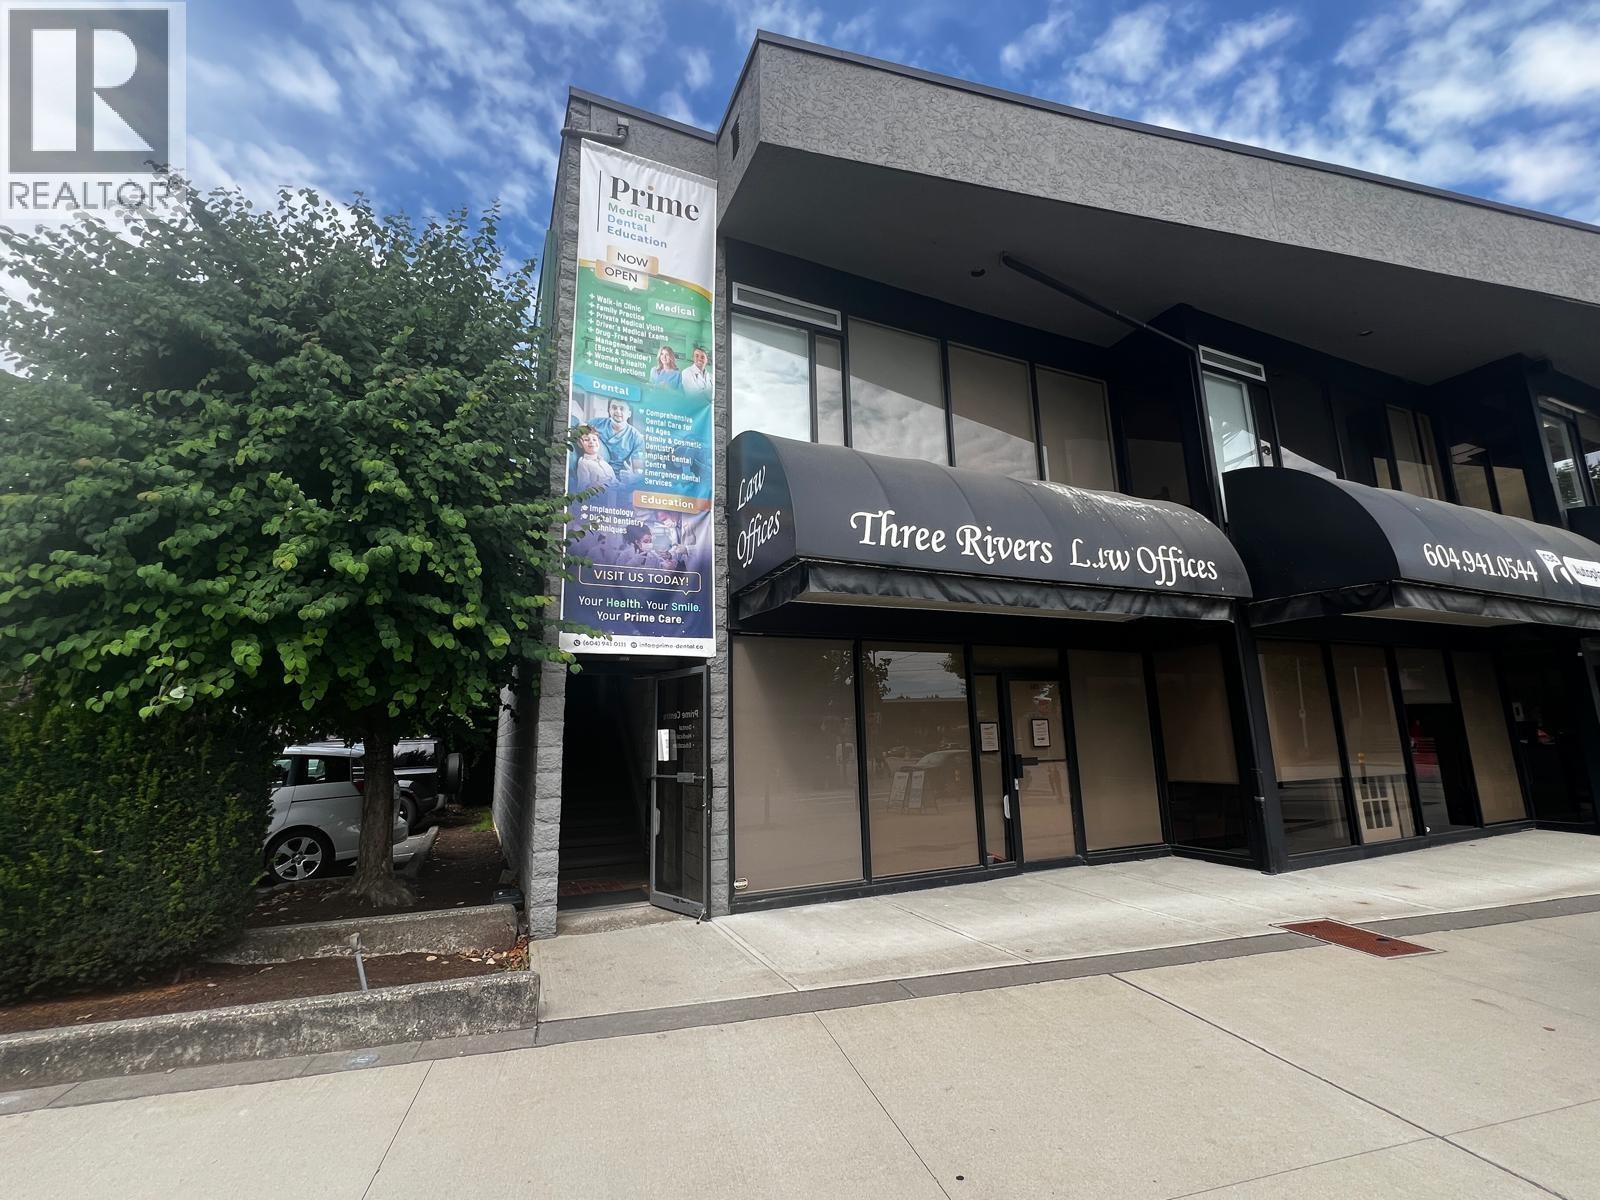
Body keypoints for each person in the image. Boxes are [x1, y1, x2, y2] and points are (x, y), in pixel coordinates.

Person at [593, 398, 644, 478]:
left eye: (622, 409)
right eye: (614, 408)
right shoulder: (596, 423)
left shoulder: (637, 437)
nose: (617, 411)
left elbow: (638, 470)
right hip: (595, 474)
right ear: (609, 410)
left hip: (618, 479)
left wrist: (632, 477)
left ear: (629, 414)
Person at [571, 425, 616, 492]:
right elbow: (581, 489)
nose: (591, 442)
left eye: (594, 439)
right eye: (586, 439)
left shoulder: (604, 463)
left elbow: (615, 482)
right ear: (580, 444)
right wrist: (595, 486)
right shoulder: (583, 462)